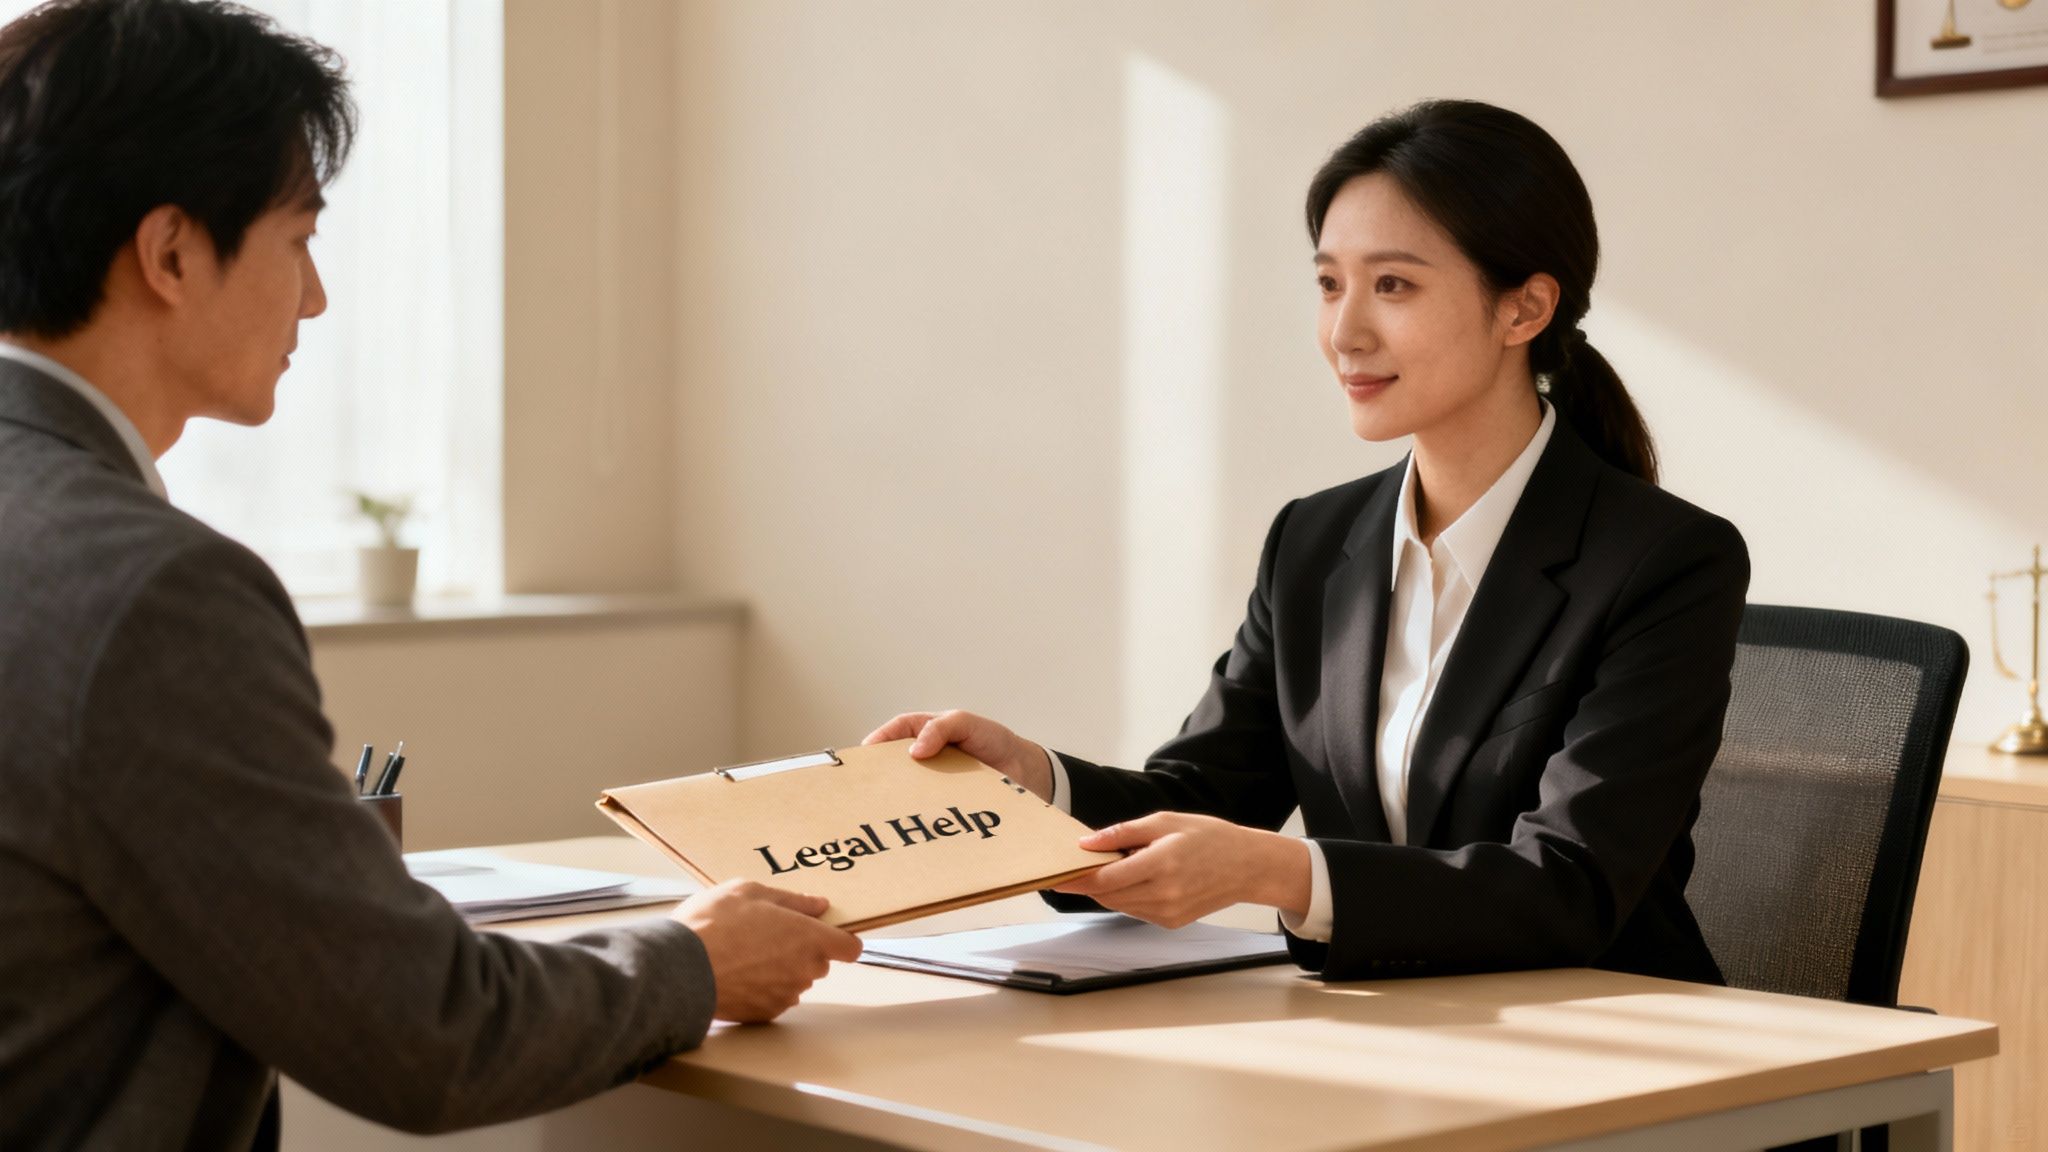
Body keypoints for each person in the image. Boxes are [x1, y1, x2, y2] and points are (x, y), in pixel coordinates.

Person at [0, 2, 858, 1147]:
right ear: (169, 253)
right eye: (299, 240)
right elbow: (424, 1036)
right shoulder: (152, 593)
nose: (315, 299)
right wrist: (699, 960)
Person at [869, 100, 1749, 986]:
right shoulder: (1315, 542)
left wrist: (1276, 871)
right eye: (1330, 284)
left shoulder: (1666, 562)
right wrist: (1036, 786)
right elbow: (1207, 797)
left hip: (1616, 1042)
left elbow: (1570, 887)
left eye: (1393, 286)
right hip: (1386, 1029)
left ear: (1524, 309)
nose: (1345, 333)